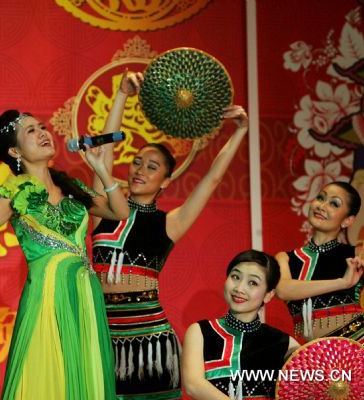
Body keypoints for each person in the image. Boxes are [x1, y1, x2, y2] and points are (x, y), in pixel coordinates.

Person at [0, 108, 130, 400]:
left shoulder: (70, 186)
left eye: (42, 127)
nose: (43, 133)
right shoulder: (14, 191)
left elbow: (119, 211)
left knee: (84, 372)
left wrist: (101, 169)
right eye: (31, 131)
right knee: (46, 373)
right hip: (46, 294)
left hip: (85, 292)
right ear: (14, 150)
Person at [90, 71, 249, 399]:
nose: (139, 170)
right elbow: (102, 158)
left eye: (151, 166)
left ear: (165, 181)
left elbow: (213, 179)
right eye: (136, 162)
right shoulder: (101, 207)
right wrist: (121, 95)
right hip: (101, 337)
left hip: (151, 345)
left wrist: (240, 132)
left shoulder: (170, 223)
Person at [276, 181, 364, 361]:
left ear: (347, 220)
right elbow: (283, 290)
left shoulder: (356, 256)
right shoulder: (284, 259)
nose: (322, 206)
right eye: (320, 198)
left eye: (334, 203)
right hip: (321, 360)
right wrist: (343, 282)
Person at [181, 250, 299, 400]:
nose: (239, 288)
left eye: (253, 283)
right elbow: (193, 385)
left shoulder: (284, 343)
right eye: (235, 277)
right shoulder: (200, 332)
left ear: (268, 295)